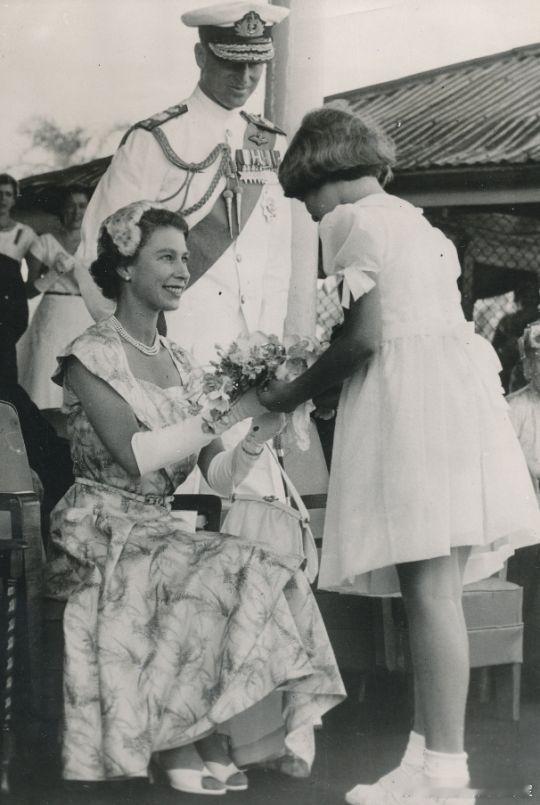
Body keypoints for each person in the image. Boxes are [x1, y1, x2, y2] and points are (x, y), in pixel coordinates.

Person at [258, 108, 540, 805]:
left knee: (431, 597)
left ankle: (443, 771)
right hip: (458, 410)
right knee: (437, 596)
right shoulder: (421, 224)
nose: (309, 213)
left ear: (323, 176)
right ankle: (430, 760)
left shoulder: (348, 222)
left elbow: (363, 340)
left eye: (305, 196)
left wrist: (290, 393)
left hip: (414, 412)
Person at [45, 201, 344, 793]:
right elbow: (135, 455)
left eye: (185, 258)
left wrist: (258, 431)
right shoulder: (88, 354)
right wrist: (228, 410)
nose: (182, 270)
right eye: (166, 257)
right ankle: (178, 742)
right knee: (196, 571)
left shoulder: (180, 361)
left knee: (258, 563)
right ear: (125, 267)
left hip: (158, 526)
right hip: (97, 525)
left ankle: (205, 732)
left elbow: (220, 476)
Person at [74, 1, 292, 502]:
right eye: (230, 62)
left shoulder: (269, 144)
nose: (244, 78)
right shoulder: (156, 140)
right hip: (174, 356)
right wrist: (137, 356)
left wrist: (273, 350)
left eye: (255, 65)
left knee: (253, 502)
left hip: (249, 356)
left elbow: (276, 265)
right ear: (201, 55)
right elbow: (98, 256)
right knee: (183, 500)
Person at [18, 186, 93, 430]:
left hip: (84, 314)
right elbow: (29, 291)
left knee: (83, 380)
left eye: (81, 206)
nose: (76, 212)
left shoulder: (95, 244)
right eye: (70, 206)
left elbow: (107, 288)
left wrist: (82, 275)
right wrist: (54, 273)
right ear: (61, 209)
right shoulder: (45, 242)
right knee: (46, 381)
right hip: (53, 314)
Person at [0, 173, 43, 384]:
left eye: (8, 194)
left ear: (14, 199)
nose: (2, 199)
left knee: (5, 361)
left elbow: (32, 282)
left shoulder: (25, 233)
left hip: (9, 306)